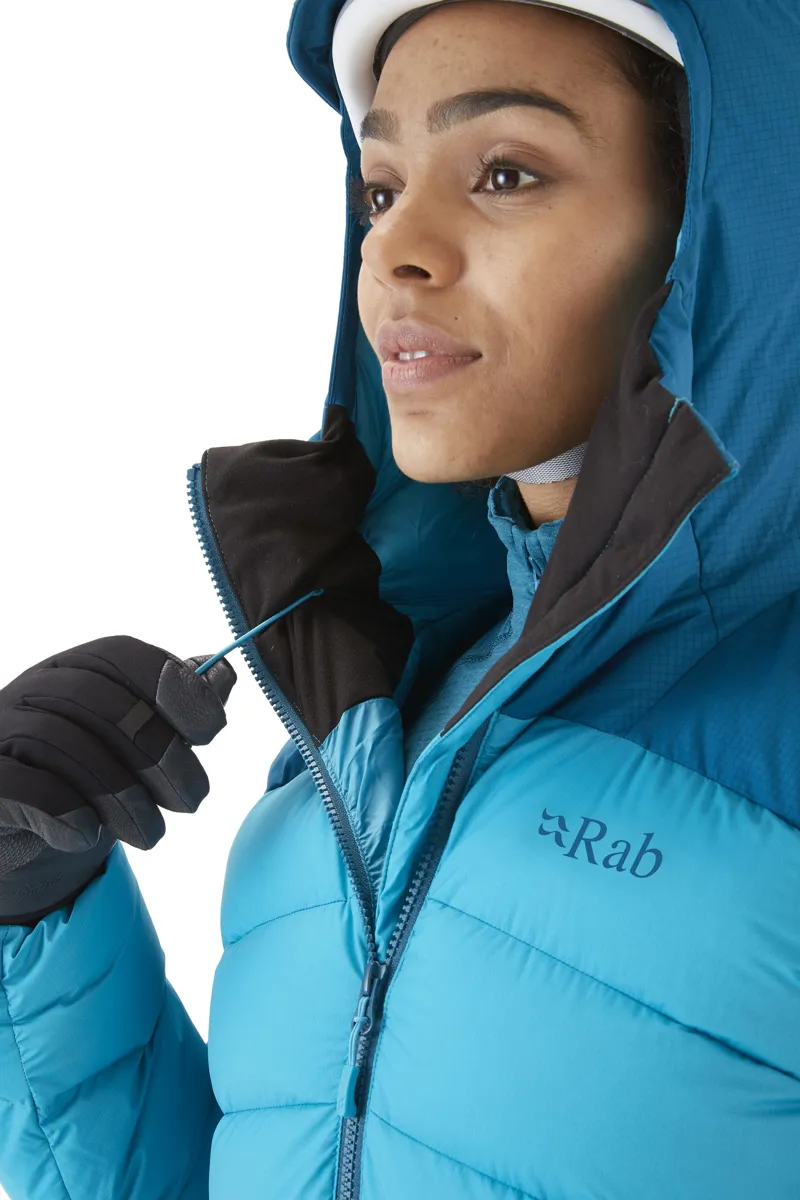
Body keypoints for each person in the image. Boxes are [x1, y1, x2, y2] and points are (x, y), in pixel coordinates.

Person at [1, 0, 798, 1197]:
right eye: (379, 190)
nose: (392, 249)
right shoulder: (374, 715)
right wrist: (35, 911)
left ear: (729, 234)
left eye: (504, 172)